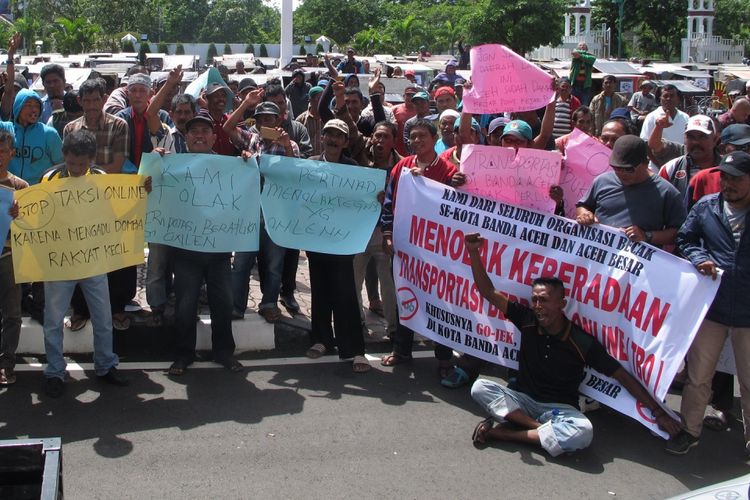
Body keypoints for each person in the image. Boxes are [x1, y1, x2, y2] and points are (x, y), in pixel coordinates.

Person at [465, 236, 681, 454]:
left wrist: (658, 412)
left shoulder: (580, 341)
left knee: (582, 432)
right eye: (535, 300)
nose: (538, 306)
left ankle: (504, 433)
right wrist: (474, 253)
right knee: (479, 387)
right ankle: (537, 429)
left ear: (562, 304)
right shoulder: (527, 319)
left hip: (559, 410)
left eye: (544, 300)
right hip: (523, 400)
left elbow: (621, 376)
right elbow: (488, 292)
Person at [667, 151, 750, 456]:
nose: (728, 184)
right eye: (725, 177)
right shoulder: (706, 206)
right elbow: (685, 239)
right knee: (699, 376)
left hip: (747, 312)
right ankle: (690, 430)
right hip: (712, 308)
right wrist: (700, 258)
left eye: (737, 179)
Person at [40, 130, 129, 398]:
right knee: (53, 319)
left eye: (82, 164)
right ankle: (55, 370)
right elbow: (40, 215)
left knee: (103, 316)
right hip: (61, 262)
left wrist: (140, 191)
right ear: (64, 156)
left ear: (91, 160)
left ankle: (105, 364)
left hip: (92, 260)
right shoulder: (50, 177)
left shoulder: (102, 179)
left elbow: (117, 209)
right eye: (72, 163)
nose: (77, 169)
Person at [156, 115, 244, 376]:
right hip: (185, 250)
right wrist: (153, 164)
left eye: (206, 130)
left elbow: (247, 187)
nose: (199, 135)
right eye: (194, 131)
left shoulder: (230, 166)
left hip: (218, 251)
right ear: (186, 137)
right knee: (185, 304)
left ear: (214, 137)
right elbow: (152, 187)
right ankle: (183, 355)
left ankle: (224, 352)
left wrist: (248, 162)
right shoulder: (172, 165)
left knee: (222, 303)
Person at [380, 119, 466, 376]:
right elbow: (389, 203)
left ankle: (443, 357)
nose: (417, 141)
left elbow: (459, 207)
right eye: (413, 137)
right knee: (404, 296)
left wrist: (458, 184)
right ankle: (401, 349)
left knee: (440, 302)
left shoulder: (449, 171)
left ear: (434, 137)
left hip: (437, 252)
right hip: (406, 248)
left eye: (422, 137)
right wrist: (387, 234)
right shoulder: (402, 168)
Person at [305, 119, 370, 373]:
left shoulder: (353, 168)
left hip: (343, 243)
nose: (333, 140)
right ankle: (321, 340)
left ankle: (355, 350)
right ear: (322, 137)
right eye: (329, 135)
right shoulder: (309, 166)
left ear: (345, 142)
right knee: (320, 291)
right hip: (315, 240)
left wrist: (373, 197)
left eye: (338, 136)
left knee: (345, 294)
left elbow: (363, 199)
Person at [576, 135, 686, 248]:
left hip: (640, 262)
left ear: (645, 163)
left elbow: (679, 233)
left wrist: (647, 236)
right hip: (600, 256)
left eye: (629, 169)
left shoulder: (666, 192)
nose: (622, 173)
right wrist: (585, 214)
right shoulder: (602, 181)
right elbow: (583, 205)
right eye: (616, 168)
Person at [0, 128, 26, 386]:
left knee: (12, 314)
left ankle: (7, 363)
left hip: (9, 256)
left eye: (3, 152)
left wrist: (20, 216)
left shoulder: (20, 187)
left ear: (11, 153)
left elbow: (31, 227)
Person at [640, 84, 689, 168]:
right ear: (660, 99)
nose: (668, 99)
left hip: (681, 166)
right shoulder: (652, 117)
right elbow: (646, 145)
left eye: (672, 96)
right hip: (657, 167)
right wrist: (660, 165)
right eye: (665, 96)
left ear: (678, 99)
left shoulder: (685, 117)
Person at [295, 86, 324, 156]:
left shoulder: (331, 117)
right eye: (318, 98)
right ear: (310, 100)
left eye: (323, 98)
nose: (322, 101)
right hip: (308, 162)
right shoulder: (301, 120)